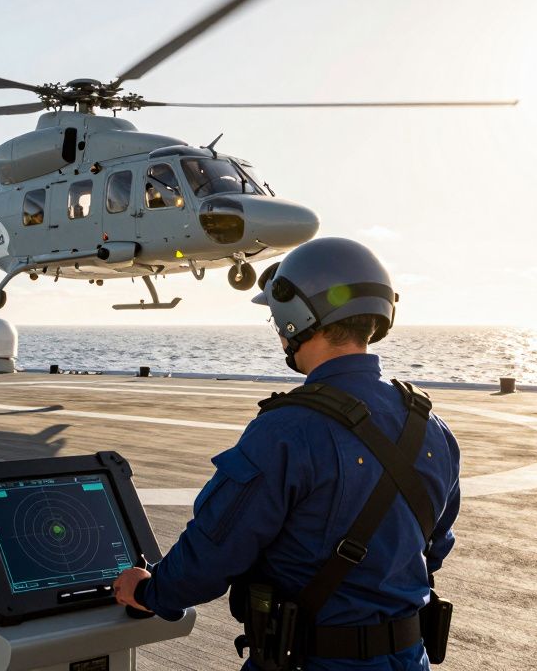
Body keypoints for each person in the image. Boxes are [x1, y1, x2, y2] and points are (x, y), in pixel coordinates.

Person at [113, 237, 462, 670]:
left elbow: (214, 551)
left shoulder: (285, 431)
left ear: (294, 316)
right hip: (409, 659)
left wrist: (148, 591)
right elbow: (435, 545)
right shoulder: (429, 425)